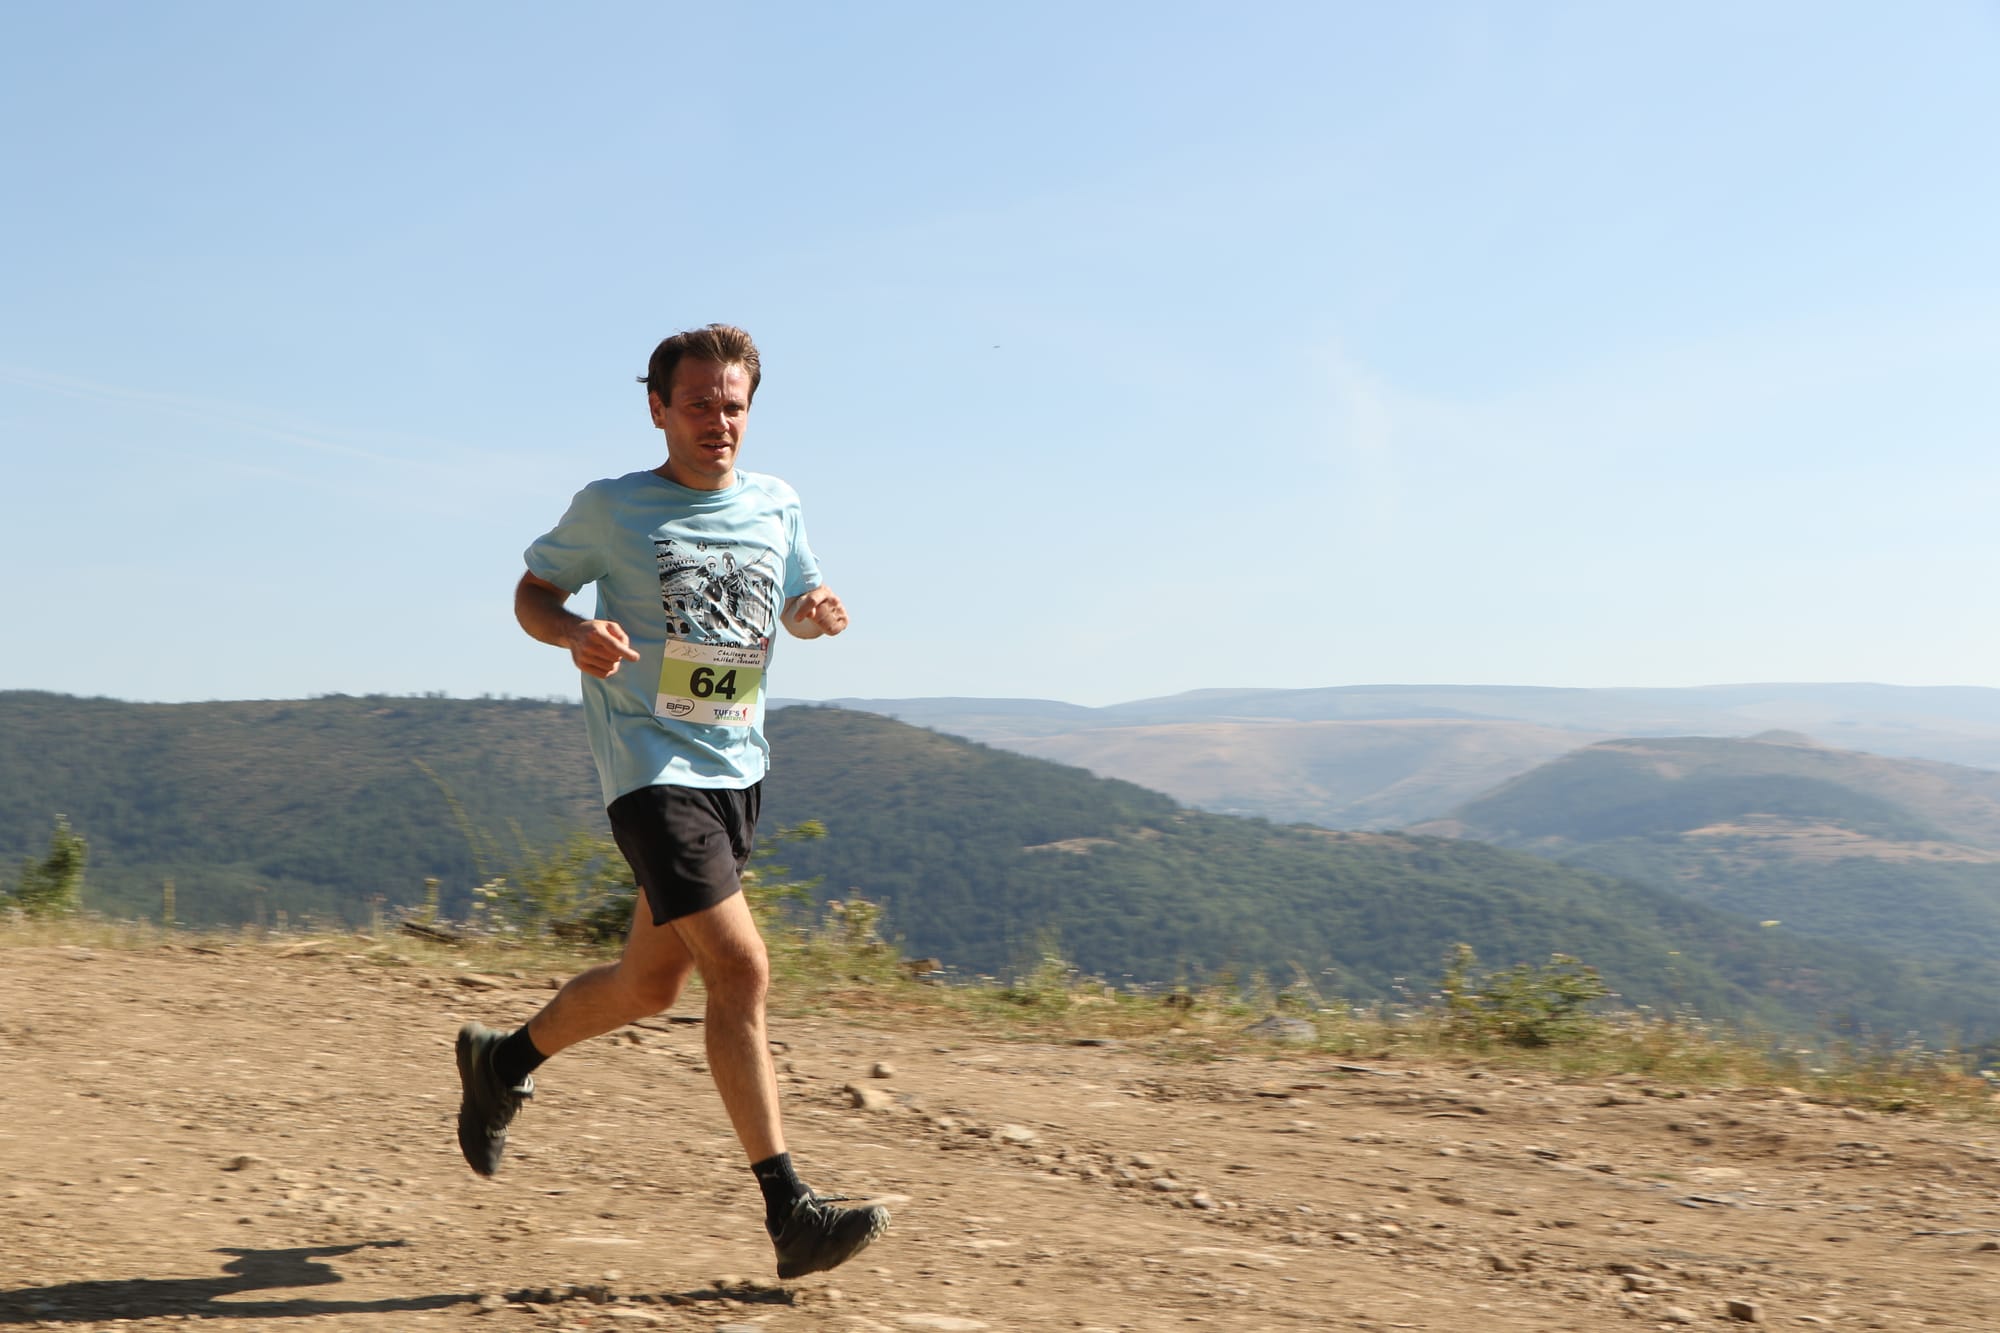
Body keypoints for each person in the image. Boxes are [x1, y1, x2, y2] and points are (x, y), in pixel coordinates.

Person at [453, 323, 888, 1280]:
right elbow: (532, 592)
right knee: (741, 971)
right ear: (658, 408)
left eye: (733, 404)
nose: (718, 421)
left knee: (650, 984)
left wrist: (816, 616)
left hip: (738, 771)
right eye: (698, 404)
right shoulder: (612, 507)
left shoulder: (777, 504)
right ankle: (791, 1212)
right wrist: (572, 630)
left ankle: (503, 1063)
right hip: (651, 774)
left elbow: (802, 599)